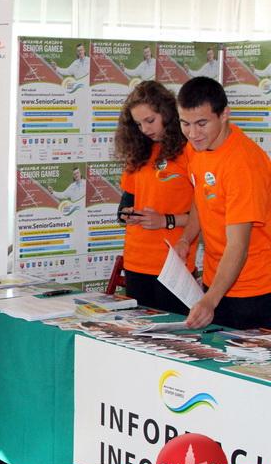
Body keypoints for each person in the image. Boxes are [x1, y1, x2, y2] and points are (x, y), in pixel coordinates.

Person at [174, 76, 271, 329]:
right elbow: (202, 196)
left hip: (254, 290)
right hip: (216, 283)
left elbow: (238, 245)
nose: (192, 133)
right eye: (185, 123)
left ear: (224, 114)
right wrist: (186, 238)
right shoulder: (196, 148)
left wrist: (210, 300)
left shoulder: (243, 164)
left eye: (201, 123)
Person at [114, 81, 195, 315]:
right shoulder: (139, 152)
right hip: (136, 261)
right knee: (137, 330)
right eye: (138, 124)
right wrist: (128, 214)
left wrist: (165, 220)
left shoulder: (190, 151)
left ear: (167, 113)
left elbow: (204, 214)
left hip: (173, 263)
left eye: (150, 120)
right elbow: (124, 206)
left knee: (173, 330)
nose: (145, 129)